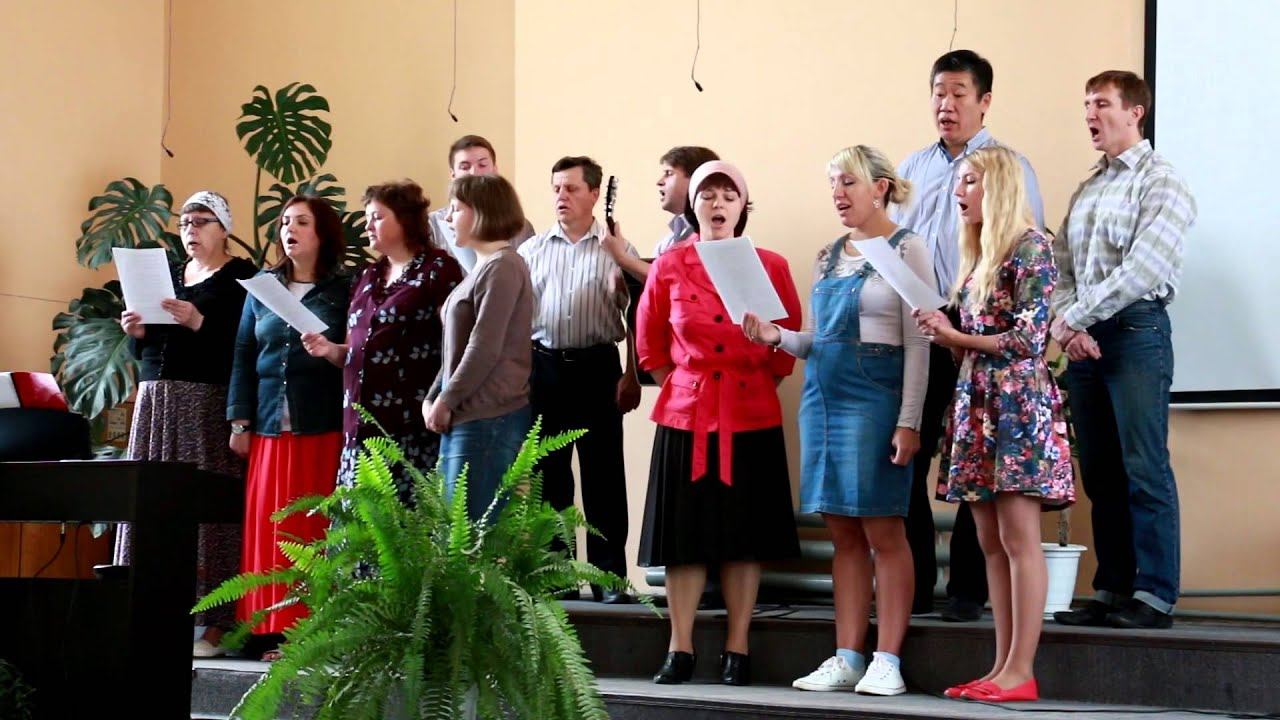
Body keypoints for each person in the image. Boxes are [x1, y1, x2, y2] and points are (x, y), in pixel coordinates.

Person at [744, 146, 929, 696]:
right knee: (842, 530)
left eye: (848, 182)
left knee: (883, 529)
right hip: (823, 396)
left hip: (876, 398)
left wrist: (909, 421)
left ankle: (887, 660)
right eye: (833, 184)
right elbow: (819, 340)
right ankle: (848, 655)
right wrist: (778, 337)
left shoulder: (908, 248)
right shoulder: (827, 255)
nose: (838, 194)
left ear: (880, 187)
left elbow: (920, 342)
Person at [915, 146, 1074, 703]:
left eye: (969, 181)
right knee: (990, 541)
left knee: (1018, 538)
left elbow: (1029, 341)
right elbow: (976, 342)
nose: (958, 192)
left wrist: (955, 336)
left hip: (1017, 405)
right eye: (958, 182)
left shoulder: (1031, 246)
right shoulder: (979, 253)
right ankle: (1001, 666)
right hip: (979, 399)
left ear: (998, 187)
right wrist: (945, 335)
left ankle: (1021, 670)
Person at [894, 49, 1047, 621]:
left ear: (984, 102)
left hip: (979, 327)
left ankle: (966, 591)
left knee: (978, 463)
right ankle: (913, 585)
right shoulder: (912, 167)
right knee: (910, 454)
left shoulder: (1008, 166)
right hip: (922, 325)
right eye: (939, 92)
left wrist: (964, 326)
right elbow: (896, 243)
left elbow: (1023, 255)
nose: (946, 104)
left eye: (959, 93)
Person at [637, 161, 802, 687]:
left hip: (750, 413)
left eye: (729, 195)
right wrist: (686, 389)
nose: (718, 203)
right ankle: (679, 647)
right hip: (686, 415)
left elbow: (787, 345)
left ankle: (738, 647)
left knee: (743, 538)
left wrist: (744, 386)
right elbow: (649, 345)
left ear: (743, 207)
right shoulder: (669, 265)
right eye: (708, 194)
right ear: (694, 206)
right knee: (682, 539)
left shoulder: (770, 264)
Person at [1050, 71, 1195, 631]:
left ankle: (1154, 595)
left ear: (1135, 112)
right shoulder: (1088, 187)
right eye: (1086, 103)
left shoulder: (1162, 182)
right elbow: (1062, 267)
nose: (1090, 113)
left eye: (1102, 103)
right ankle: (1112, 588)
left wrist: (1075, 319)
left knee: (1143, 467)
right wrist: (1069, 326)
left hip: (1135, 334)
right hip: (1085, 341)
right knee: (1101, 473)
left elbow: (1143, 270)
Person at [114, 190, 256, 658]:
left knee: (205, 507)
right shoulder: (170, 276)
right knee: (149, 502)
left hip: (204, 402)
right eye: (185, 223)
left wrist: (200, 323)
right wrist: (137, 334)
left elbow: (245, 347)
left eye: (201, 221)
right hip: (155, 400)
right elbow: (150, 346)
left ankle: (216, 623)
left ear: (224, 228)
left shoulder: (241, 278)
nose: (190, 230)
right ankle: (147, 611)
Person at [227, 195, 351, 659]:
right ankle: (265, 628)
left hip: (320, 423)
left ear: (322, 233)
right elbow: (243, 353)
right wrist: (239, 419)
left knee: (312, 528)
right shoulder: (262, 288)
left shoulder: (344, 288)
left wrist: (330, 349)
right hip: (266, 425)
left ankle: (311, 631)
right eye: (284, 222)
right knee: (269, 526)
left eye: (301, 222)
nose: (289, 230)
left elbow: (356, 349)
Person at [517, 156, 641, 603]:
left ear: (594, 193)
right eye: (556, 188)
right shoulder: (531, 251)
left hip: (598, 369)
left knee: (603, 477)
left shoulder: (616, 249)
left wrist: (632, 374)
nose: (561, 196)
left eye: (571, 188)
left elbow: (638, 318)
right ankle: (558, 578)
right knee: (550, 480)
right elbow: (515, 321)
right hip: (544, 368)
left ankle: (609, 579)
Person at [303, 181, 463, 500]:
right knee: (358, 524)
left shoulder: (438, 270)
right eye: (367, 218)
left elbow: (455, 345)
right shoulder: (367, 276)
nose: (367, 226)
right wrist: (331, 350)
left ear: (405, 219)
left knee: (408, 523)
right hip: (358, 428)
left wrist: (444, 400)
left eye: (377, 217)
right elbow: (355, 350)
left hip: (410, 428)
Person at [423, 174, 534, 520]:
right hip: (465, 414)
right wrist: (434, 397)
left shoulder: (504, 266)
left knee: (473, 537)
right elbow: (455, 349)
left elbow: (485, 346)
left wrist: (446, 399)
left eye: (456, 209)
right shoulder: (482, 267)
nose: (447, 218)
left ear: (482, 212)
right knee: (455, 535)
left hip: (488, 418)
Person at [600, 145, 720, 279]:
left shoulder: (715, 235)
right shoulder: (666, 243)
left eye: (669, 173)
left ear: (696, 179)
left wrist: (622, 258)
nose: (659, 182)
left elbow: (678, 282)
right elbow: (658, 284)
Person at [426, 135, 535, 273]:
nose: (474, 173)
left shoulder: (520, 226)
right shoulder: (432, 224)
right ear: (453, 175)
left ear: (495, 170)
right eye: (465, 167)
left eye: (482, 165)